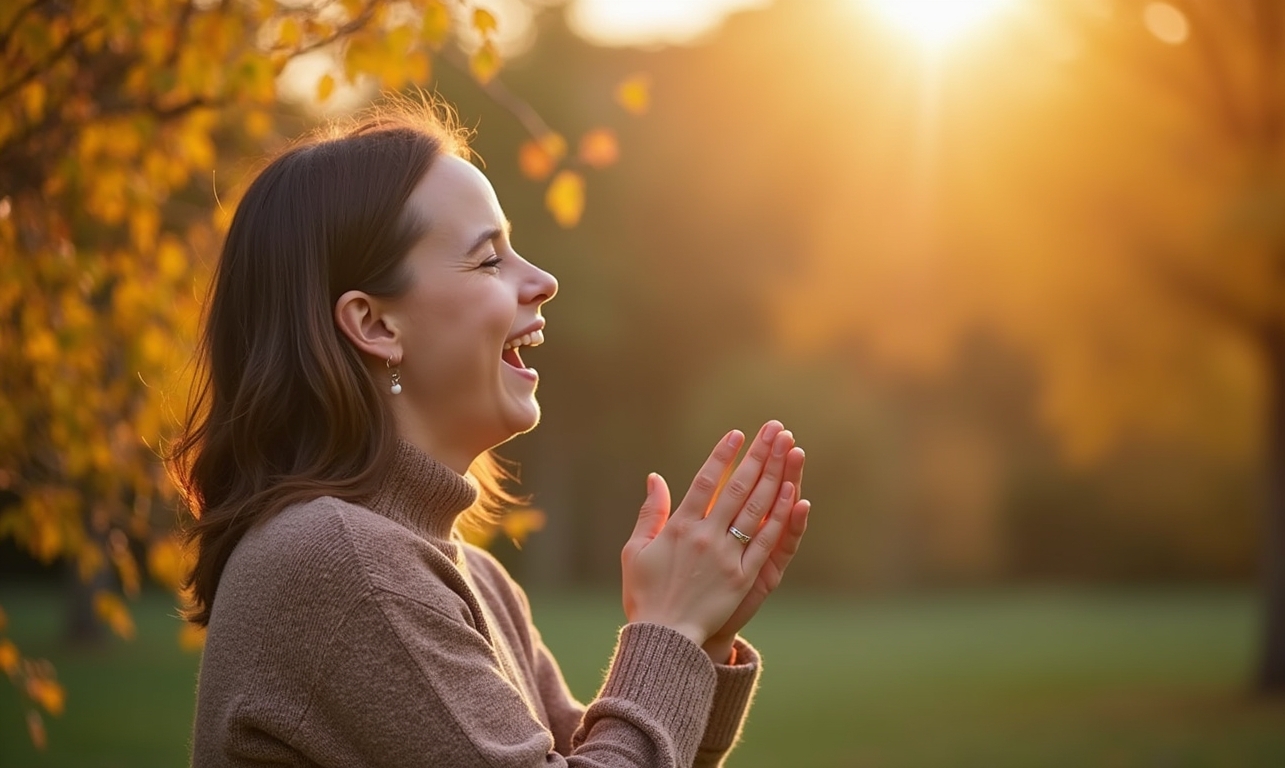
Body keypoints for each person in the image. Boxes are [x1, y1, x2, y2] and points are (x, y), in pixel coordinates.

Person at [171, 99, 811, 768]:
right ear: (376, 326)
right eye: (487, 261)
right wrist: (669, 630)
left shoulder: (476, 578)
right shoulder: (341, 563)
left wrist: (700, 639)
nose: (543, 281)